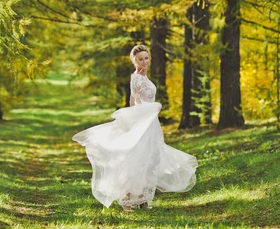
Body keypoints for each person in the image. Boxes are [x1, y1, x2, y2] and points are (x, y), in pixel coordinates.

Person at [72, 44, 198, 211]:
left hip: (152, 123)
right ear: (134, 61)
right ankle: (127, 199)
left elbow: (133, 100)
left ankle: (144, 199)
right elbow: (138, 101)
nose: (144, 62)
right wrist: (136, 118)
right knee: (138, 159)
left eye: (146, 58)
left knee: (151, 159)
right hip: (145, 122)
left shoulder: (143, 77)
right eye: (140, 59)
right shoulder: (137, 78)